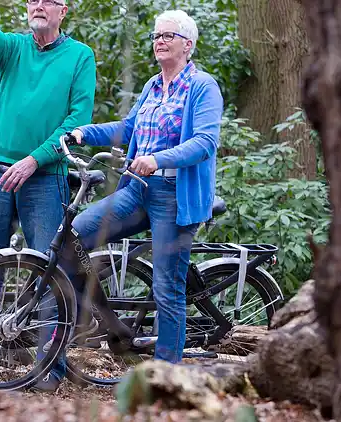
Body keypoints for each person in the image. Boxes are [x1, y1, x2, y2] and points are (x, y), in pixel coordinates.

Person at [46, 9, 224, 391]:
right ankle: (99, 320)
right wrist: (83, 132)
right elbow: (128, 128)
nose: (159, 40)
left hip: (175, 197)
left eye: (168, 36)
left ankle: (164, 380)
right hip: (137, 190)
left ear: (187, 45)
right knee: (71, 236)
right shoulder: (153, 86)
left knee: (166, 287)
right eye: (156, 35)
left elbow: (205, 142)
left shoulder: (202, 87)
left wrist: (157, 158)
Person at [0, 0, 97, 392]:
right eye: (32, 0)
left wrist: (33, 160)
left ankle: (49, 369)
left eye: (48, 1)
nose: (39, 6)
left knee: (48, 273)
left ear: (64, 11)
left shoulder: (80, 56)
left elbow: (77, 120)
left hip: (46, 177)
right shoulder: (14, 48)